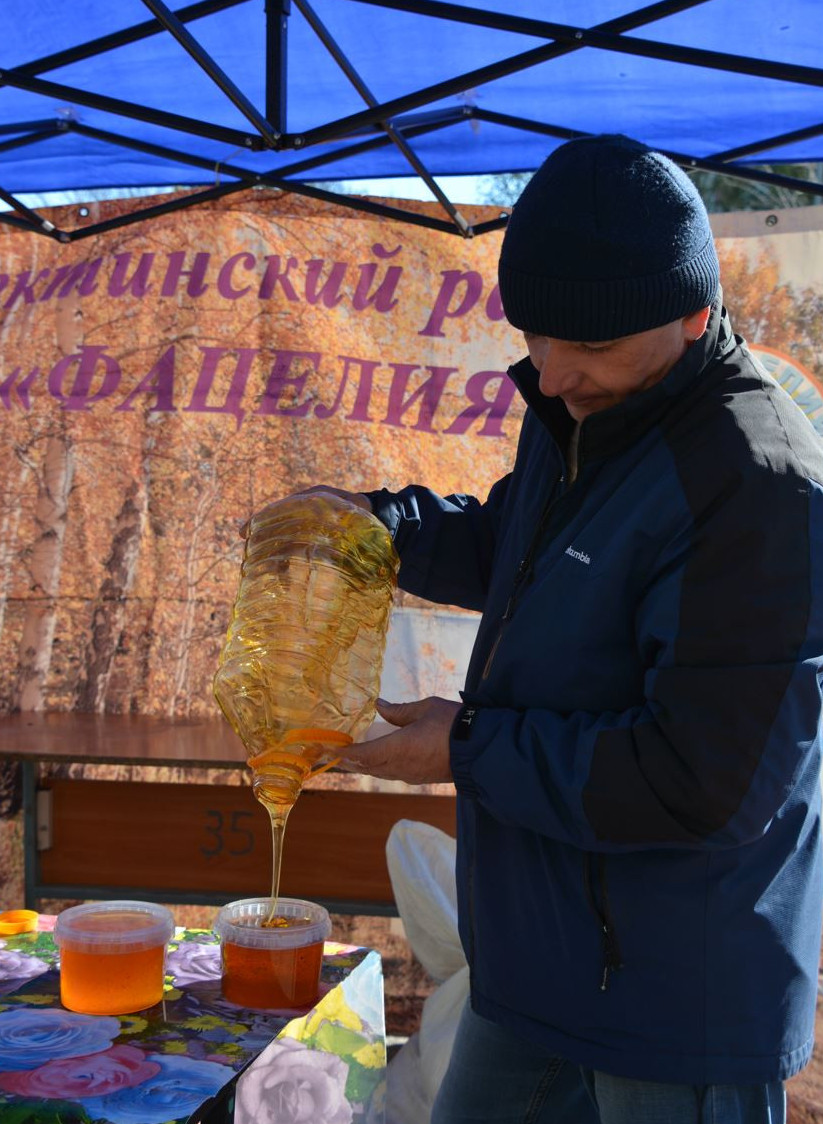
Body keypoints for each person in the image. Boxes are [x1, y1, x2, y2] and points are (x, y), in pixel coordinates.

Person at [294, 135, 823, 1123]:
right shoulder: (581, 405)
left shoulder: (758, 487)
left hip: (678, 1000)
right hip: (539, 961)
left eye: (588, 348)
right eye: (536, 335)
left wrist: (464, 744)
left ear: (692, 316)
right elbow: (519, 547)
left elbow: (701, 782)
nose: (549, 372)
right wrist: (385, 528)